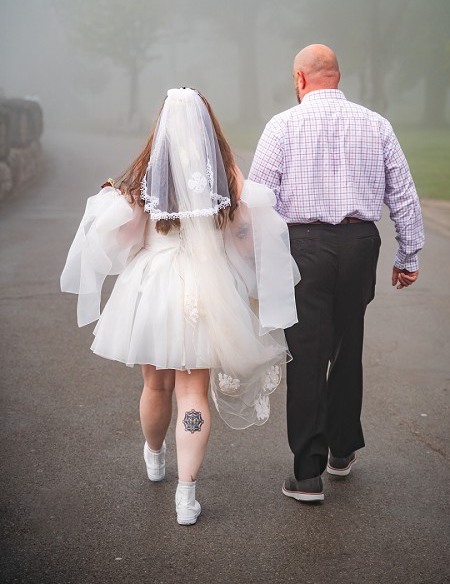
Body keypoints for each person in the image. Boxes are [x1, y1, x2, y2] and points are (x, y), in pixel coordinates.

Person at [61, 88, 299, 524]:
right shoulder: (226, 173)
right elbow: (249, 224)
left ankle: (155, 455)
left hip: (153, 286)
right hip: (206, 292)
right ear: (208, 126)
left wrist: (115, 207)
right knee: (194, 392)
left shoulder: (143, 173)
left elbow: (122, 235)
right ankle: (186, 494)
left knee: (156, 386)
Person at [249, 44, 424, 503]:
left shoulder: (282, 126)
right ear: (337, 77)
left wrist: (254, 266)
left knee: (306, 353)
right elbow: (403, 193)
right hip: (360, 241)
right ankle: (342, 451)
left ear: (301, 80)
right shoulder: (376, 124)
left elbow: (257, 204)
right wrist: (408, 256)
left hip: (304, 247)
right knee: (347, 344)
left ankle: (307, 474)